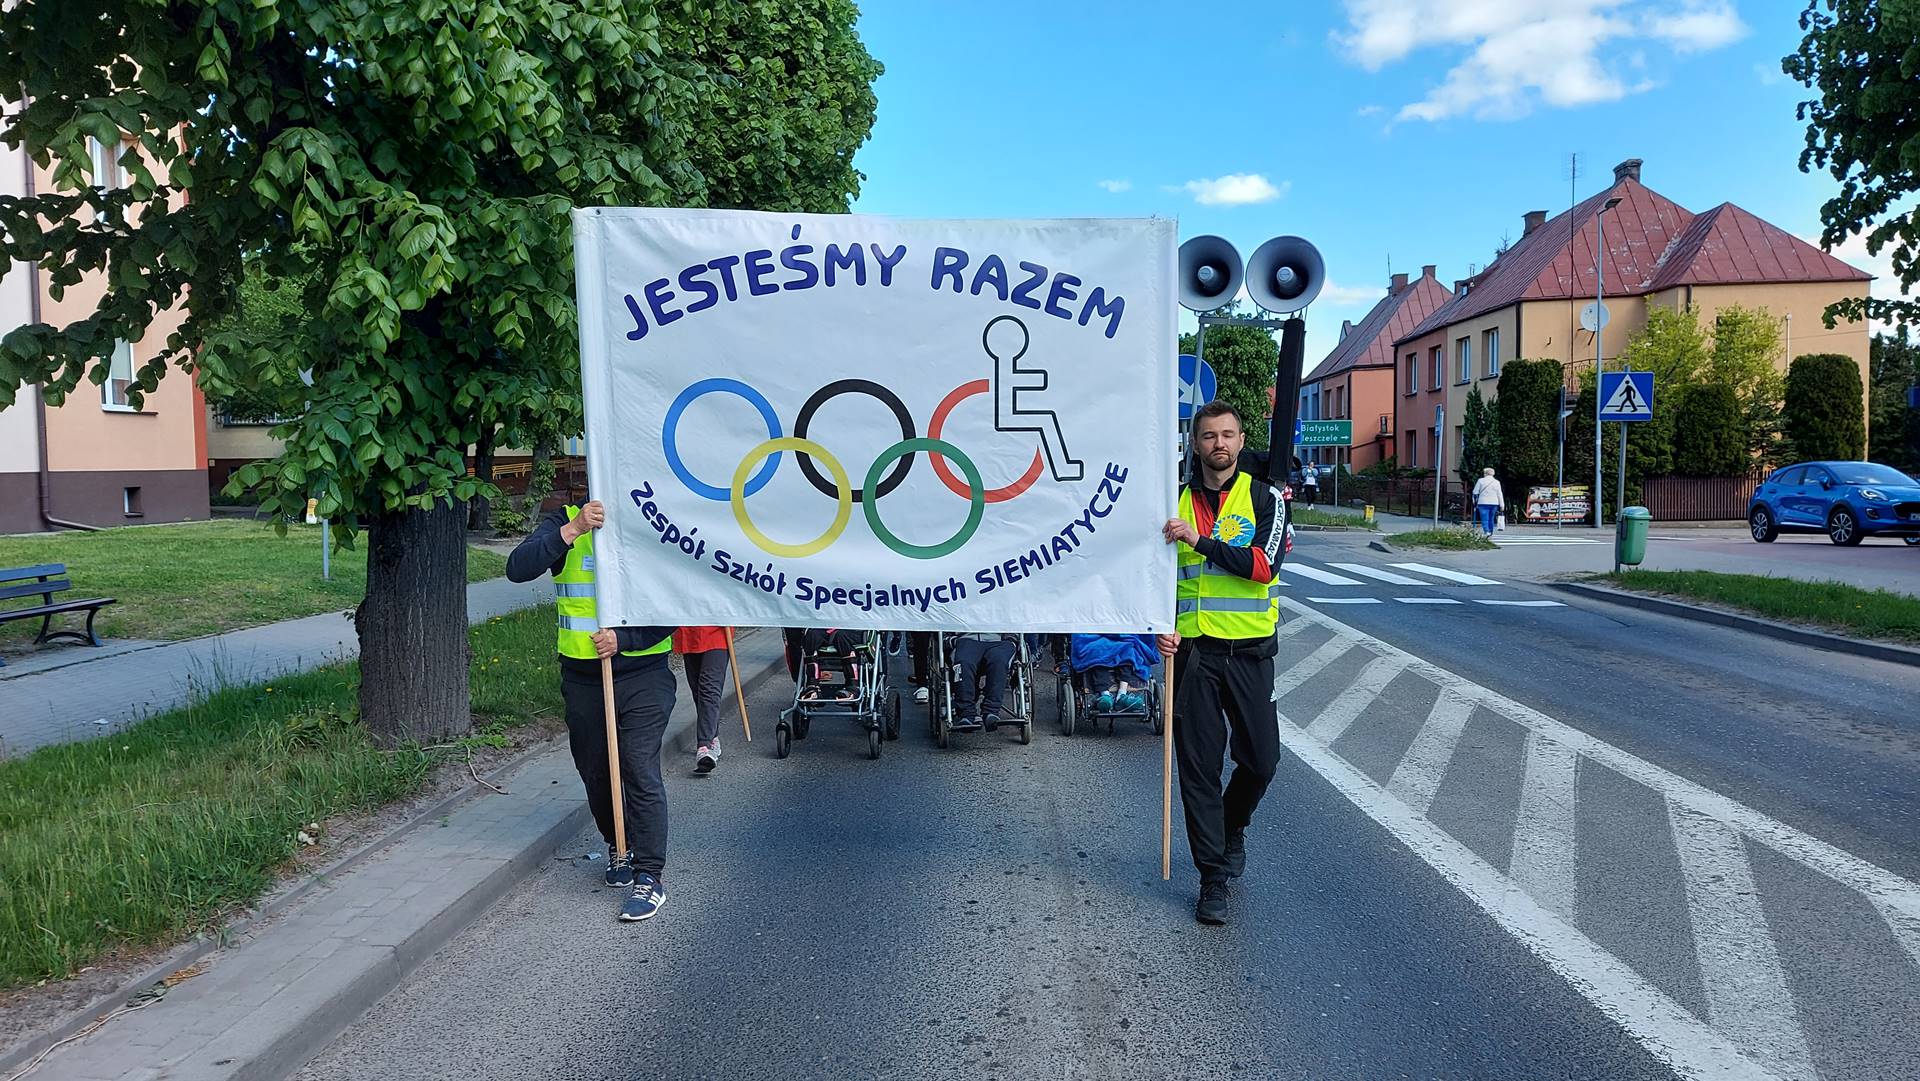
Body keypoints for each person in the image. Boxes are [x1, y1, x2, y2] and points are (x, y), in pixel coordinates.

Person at [508, 499, 675, 923]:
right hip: (582, 676)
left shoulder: (651, 522)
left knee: (637, 765)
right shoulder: (562, 521)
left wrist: (627, 638)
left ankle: (650, 876)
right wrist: (574, 529)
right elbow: (517, 568)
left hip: (643, 672)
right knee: (595, 769)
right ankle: (619, 843)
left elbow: (676, 604)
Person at [1159, 400, 1286, 927]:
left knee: (1261, 762)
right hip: (1192, 655)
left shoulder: (1264, 497)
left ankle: (1233, 827)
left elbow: (1263, 565)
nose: (1219, 444)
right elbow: (1150, 575)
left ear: (1239, 439)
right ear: (1195, 444)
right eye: (1209, 436)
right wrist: (1156, 623)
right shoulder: (1172, 501)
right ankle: (1212, 878)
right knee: (1198, 771)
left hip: (1250, 652)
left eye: (1228, 434)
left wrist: (1200, 541)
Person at [674, 626, 731, 773]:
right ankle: (713, 736)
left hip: (717, 631)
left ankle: (705, 746)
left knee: (709, 688)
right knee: (698, 691)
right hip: (689, 631)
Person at [950, 631, 1019, 730]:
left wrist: (1011, 639)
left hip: (999, 640)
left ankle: (991, 711)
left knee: (999, 661)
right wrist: (951, 640)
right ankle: (966, 712)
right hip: (966, 640)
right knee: (964, 663)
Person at [1472, 467, 1504, 537]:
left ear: (1485, 473)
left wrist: (1474, 502)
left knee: (1484, 518)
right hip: (1494, 503)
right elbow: (1499, 494)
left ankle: (1486, 531)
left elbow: (1475, 492)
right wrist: (1502, 505)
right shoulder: (1497, 482)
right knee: (1491, 518)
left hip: (1483, 502)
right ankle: (1490, 531)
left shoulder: (1480, 481)